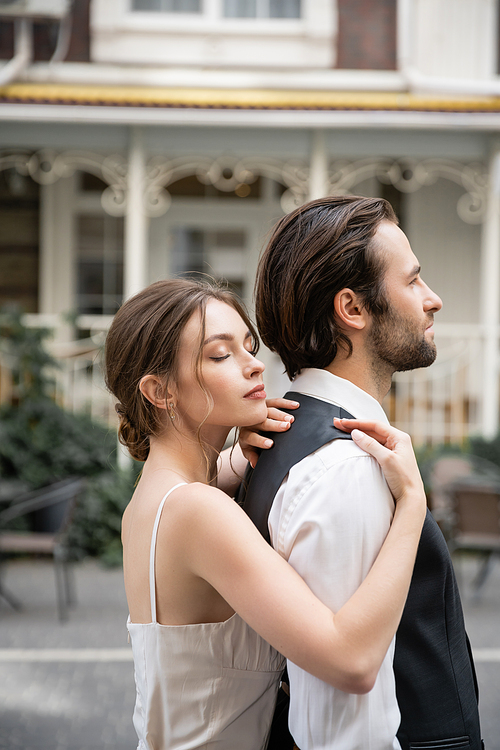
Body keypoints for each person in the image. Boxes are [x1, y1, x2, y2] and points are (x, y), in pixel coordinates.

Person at [104, 277, 427, 750]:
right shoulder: (199, 510)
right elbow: (352, 662)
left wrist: (231, 460)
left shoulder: (153, 500)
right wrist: (413, 504)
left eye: (248, 346)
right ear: (160, 390)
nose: (254, 366)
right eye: (220, 355)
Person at [241, 195, 483, 750]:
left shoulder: (297, 435)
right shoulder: (346, 467)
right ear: (352, 308)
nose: (433, 300)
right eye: (414, 281)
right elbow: (342, 727)